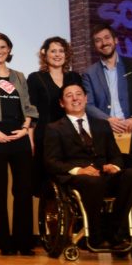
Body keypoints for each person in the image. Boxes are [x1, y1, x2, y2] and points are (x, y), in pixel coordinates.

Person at [82, 23, 132, 257]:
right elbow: (88, 105)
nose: (103, 43)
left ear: (115, 40)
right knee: (119, 186)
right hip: (108, 138)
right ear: (95, 45)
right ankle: (119, 238)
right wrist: (108, 119)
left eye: (106, 38)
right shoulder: (89, 73)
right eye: (98, 40)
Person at [45, 83, 132, 251]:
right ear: (61, 103)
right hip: (78, 178)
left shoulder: (102, 125)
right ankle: (95, 235)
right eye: (69, 95)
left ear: (86, 98)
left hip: (104, 174)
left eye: (79, 94)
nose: (75, 98)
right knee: (93, 182)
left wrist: (114, 166)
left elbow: (116, 155)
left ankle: (114, 230)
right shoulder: (54, 128)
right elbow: (51, 161)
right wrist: (79, 170)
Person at [0, 32, 39, 256]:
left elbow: (28, 106)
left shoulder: (19, 76)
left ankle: (24, 242)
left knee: (23, 190)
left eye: (3, 47)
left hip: (19, 134)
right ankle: (4, 243)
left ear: (9, 50)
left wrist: (25, 129)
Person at [27, 36, 83, 196]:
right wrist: (30, 138)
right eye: (53, 51)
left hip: (71, 137)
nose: (57, 54)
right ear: (45, 54)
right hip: (44, 137)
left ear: (66, 54)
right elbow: (30, 111)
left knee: (71, 180)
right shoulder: (35, 78)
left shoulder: (74, 77)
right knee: (46, 185)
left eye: (61, 51)